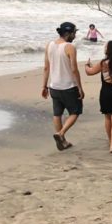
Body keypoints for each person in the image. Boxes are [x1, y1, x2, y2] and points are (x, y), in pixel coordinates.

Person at [42, 22, 85, 151]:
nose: (75, 36)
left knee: (57, 114)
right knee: (75, 111)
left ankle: (62, 142)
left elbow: (46, 68)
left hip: (54, 86)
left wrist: (44, 86)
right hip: (68, 86)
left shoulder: (49, 45)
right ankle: (60, 134)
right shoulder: (69, 47)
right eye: (74, 33)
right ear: (68, 33)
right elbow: (74, 69)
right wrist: (80, 87)